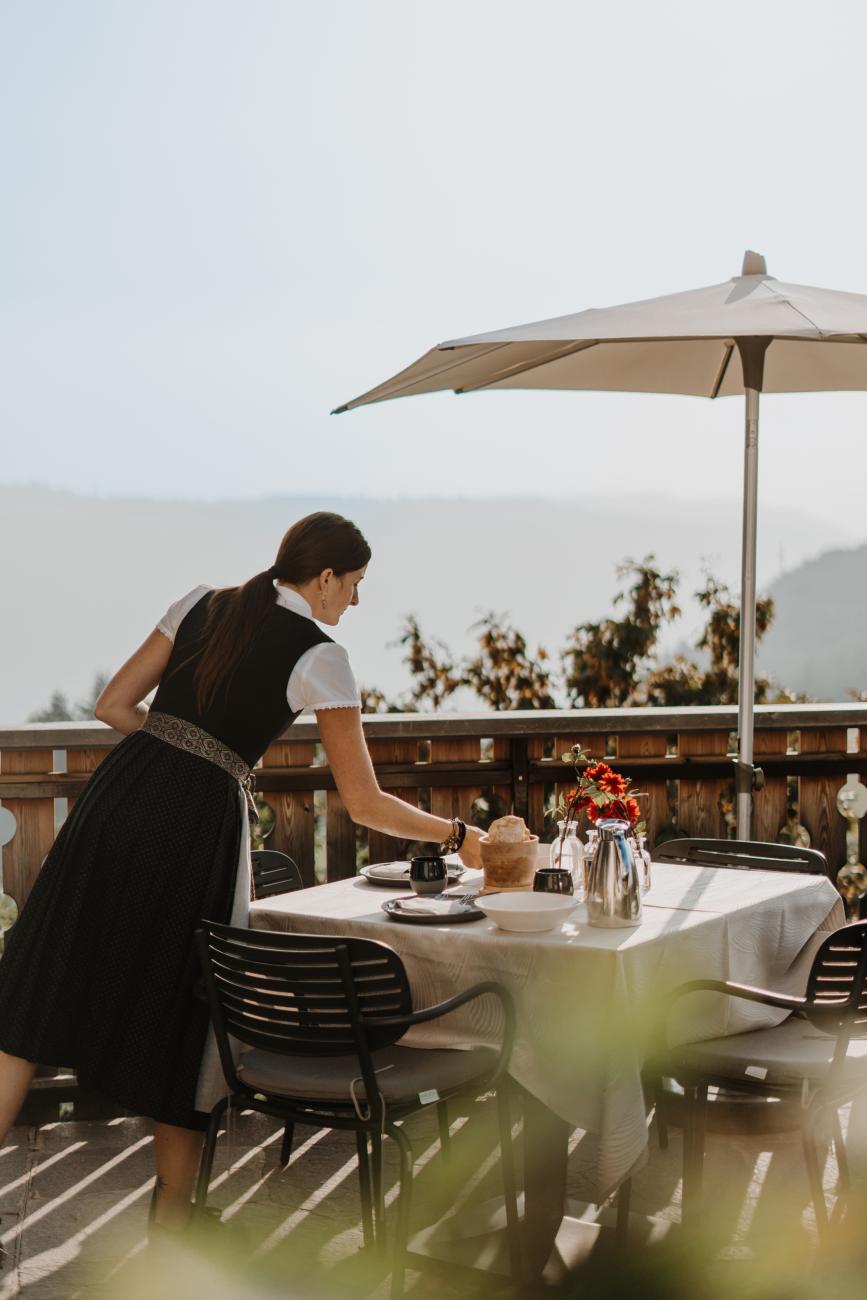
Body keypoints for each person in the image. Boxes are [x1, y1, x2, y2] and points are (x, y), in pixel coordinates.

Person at [0, 511, 484, 1236]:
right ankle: (173, 1214)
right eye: (354, 585)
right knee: (187, 1012)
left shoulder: (199, 601)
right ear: (325, 577)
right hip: (195, 829)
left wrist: (176, 747)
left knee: (35, 992)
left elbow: (112, 706)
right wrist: (457, 834)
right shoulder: (323, 658)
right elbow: (361, 800)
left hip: (114, 801)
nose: (354, 602)